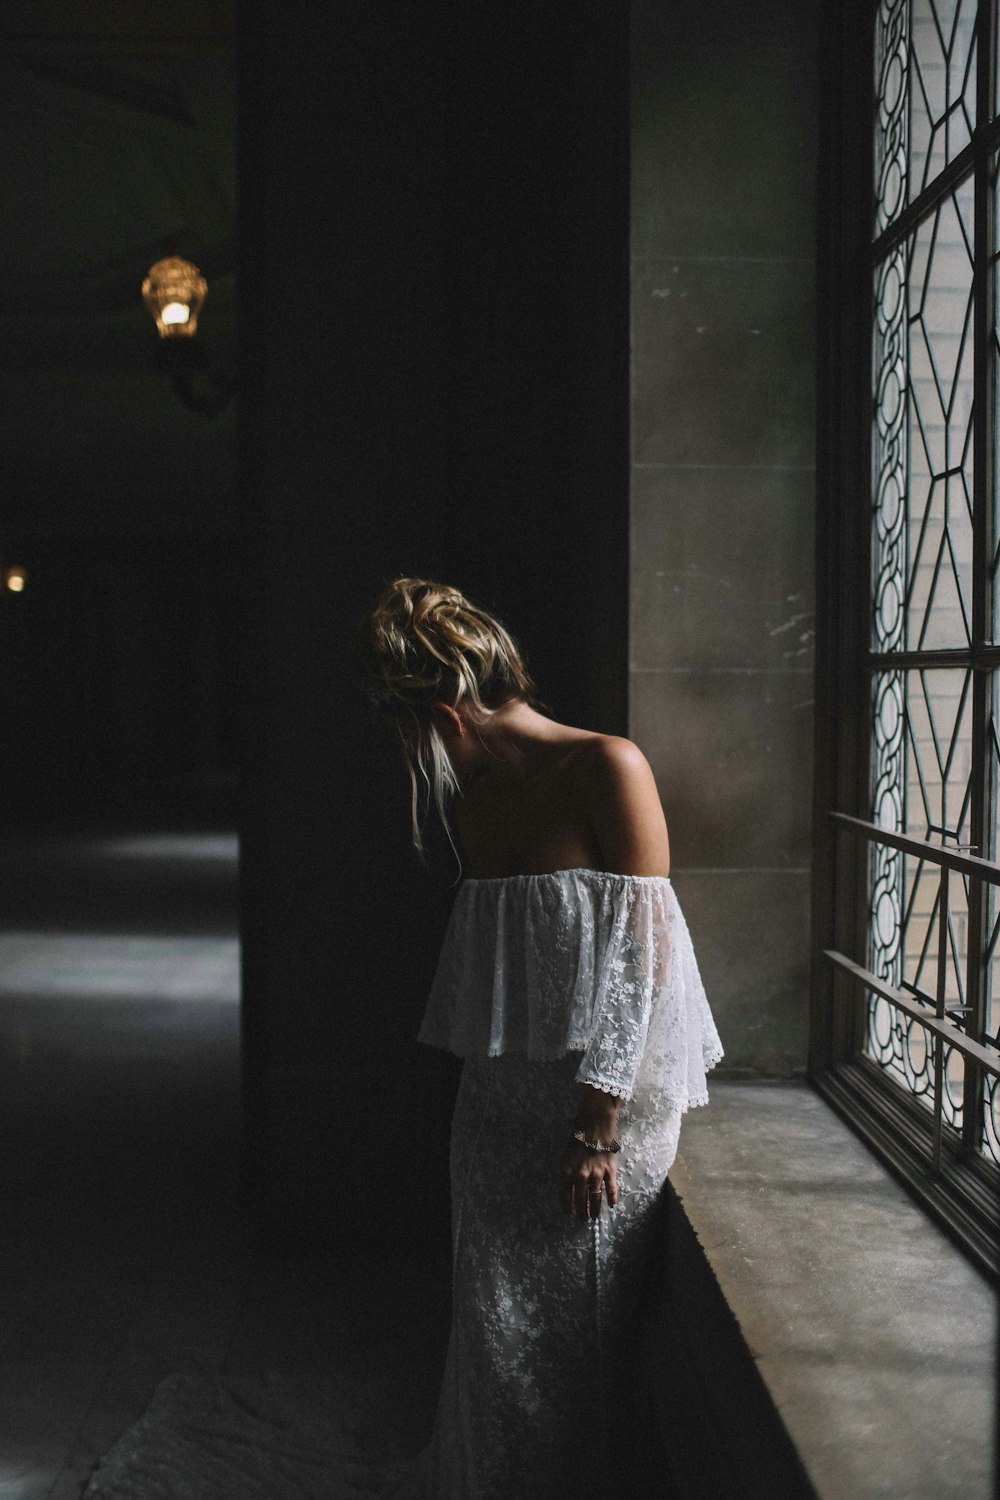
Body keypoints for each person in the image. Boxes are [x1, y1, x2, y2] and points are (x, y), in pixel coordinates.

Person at [356, 576, 724, 1500]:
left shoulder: (609, 767)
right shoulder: (475, 803)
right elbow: (505, 977)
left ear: (445, 712)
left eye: (416, 733)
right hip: (499, 1112)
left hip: (606, 1111)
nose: (421, 754)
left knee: (578, 1336)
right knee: (492, 1332)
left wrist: (595, 1126)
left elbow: (644, 966)